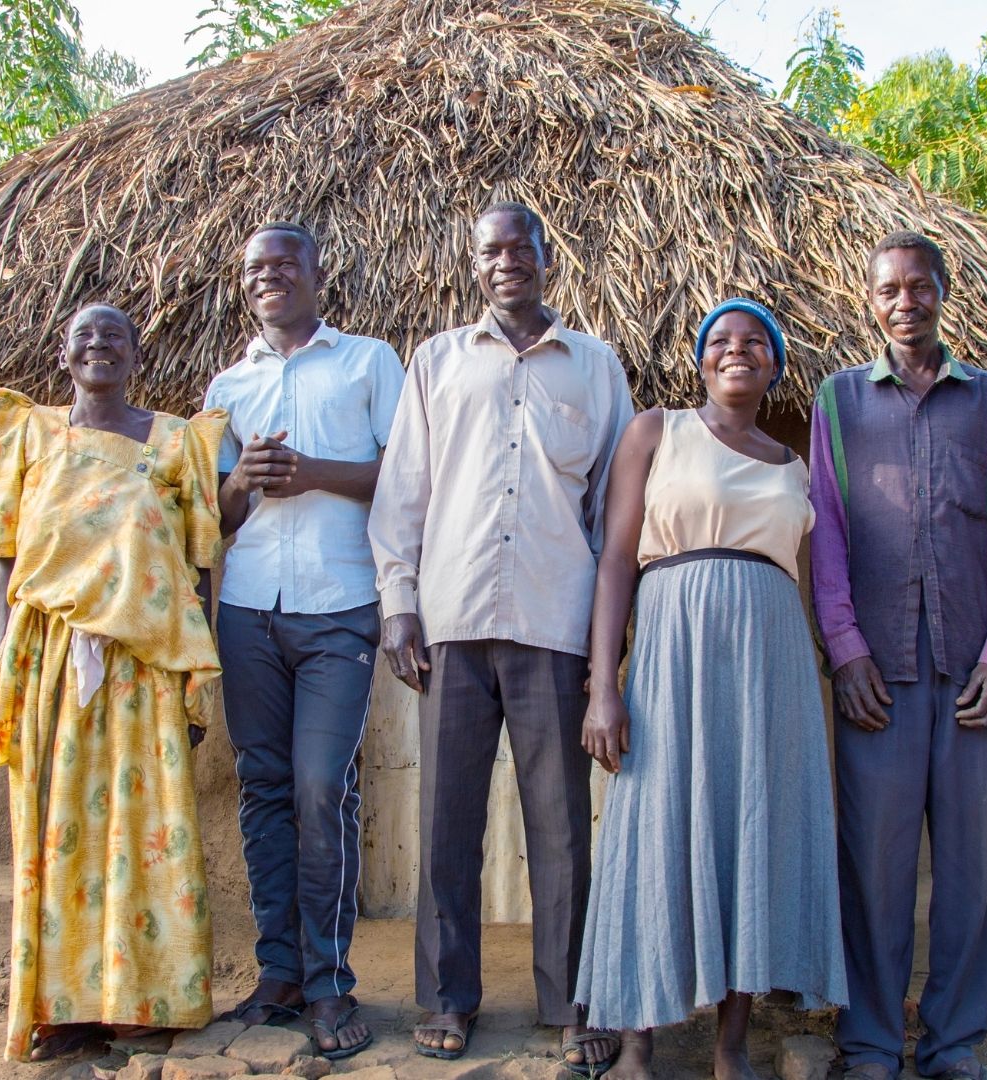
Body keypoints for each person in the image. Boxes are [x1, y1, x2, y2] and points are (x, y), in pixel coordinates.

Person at [368, 201, 634, 1072]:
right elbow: (403, 489)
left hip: (554, 624)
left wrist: (607, 642)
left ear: (548, 258)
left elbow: (610, 513)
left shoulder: (596, 369)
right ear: (474, 264)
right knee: (448, 819)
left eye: (521, 247)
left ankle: (571, 1000)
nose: (506, 262)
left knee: (560, 826)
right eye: (490, 251)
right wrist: (398, 602)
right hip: (450, 620)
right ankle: (448, 999)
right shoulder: (437, 362)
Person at [573, 300, 849, 1079]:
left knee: (752, 831)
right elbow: (617, 562)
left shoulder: (795, 466)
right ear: (700, 361)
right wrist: (604, 684)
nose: (738, 351)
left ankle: (731, 1047)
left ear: (775, 366)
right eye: (721, 341)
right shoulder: (657, 431)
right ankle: (636, 1043)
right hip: (670, 653)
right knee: (653, 828)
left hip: (771, 665)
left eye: (755, 342)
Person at [0, 303, 227, 1061]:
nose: (99, 345)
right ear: (63, 354)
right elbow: (6, 560)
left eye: (115, 335)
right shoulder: (30, 433)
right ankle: (67, 1009)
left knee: (146, 831)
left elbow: (196, 564)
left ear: (136, 353)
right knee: (54, 833)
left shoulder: (177, 442)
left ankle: (148, 1000)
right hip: (53, 656)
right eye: (85, 335)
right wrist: (4, 664)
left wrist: (194, 677)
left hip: (147, 667)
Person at [812, 231, 987, 1080]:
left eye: (918, 286)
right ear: (871, 302)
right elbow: (827, 536)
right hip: (877, 676)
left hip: (973, 668)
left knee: (972, 862)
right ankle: (869, 1040)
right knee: (874, 863)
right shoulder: (838, 404)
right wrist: (846, 649)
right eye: (888, 290)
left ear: (944, 290)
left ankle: (952, 1042)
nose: (905, 301)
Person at [202, 222, 405, 1059]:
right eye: (255, 268)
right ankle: (278, 975)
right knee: (265, 788)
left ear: (320, 273)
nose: (269, 277)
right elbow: (208, 514)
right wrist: (242, 483)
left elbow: (404, 476)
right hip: (249, 605)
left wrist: (313, 472)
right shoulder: (227, 383)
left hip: (339, 605)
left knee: (324, 787)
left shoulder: (368, 363)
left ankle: (329, 984)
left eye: (285, 262)